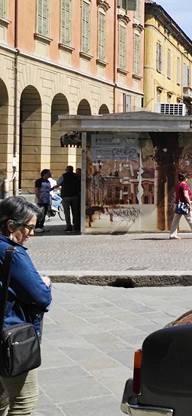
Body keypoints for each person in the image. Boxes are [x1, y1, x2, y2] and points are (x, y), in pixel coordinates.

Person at [0, 196, 53, 414]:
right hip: (11, 336)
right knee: (24, 401)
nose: (32, 233)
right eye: (29, 227)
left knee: (1, 399)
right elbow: (41, 296)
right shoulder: (12, 253)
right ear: (11, 225)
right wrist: (45, 283)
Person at [169, 174, 192, 239]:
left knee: (175, 221)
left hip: (178, 204)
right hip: (184, 205)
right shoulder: (184, 185)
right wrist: (189, 203)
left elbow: (179, 195)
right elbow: (185, 195)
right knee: (190, 219)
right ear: (185, 178)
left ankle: (172, 234)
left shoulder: (178, 185)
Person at [57, 166, 81, 234]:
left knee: (67, 212)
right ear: (72, 170)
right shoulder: (76, 176)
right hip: (75, 196)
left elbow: (58, 182)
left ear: (66, 170)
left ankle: (69, 226)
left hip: (66, 196)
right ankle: (76, 226)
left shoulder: (63, 176)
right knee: (75, 212)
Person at [31, 170, 56, 235]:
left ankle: (41, 226)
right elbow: (36, 190)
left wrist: (54, 187)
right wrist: (39, 198)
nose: (50, 174)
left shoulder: (48, 181)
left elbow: (49, 189)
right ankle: (37, 226)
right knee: (39, 213)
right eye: (49, 173)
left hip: (47, 199)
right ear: (44, 174)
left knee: (44, 213)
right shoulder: (39, 181)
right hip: (41, 199)